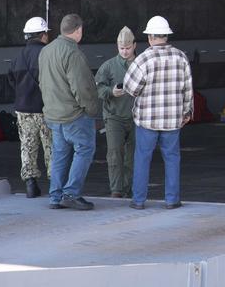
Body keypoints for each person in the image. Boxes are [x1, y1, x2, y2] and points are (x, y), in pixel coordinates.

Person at [123, 15, 193, 210]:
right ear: (166, 36)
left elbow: (131, 88)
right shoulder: (181, 57)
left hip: (147, 120)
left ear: (151, 37)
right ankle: (172, 200)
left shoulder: (144, 58)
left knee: (142, 159)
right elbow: (188, 89)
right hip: (173, 119)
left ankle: (138, 200)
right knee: (172, 158)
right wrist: (186, 113)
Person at [37, 13, 101, 211]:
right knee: (84, 149)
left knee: (60, 155)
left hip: (53, 115)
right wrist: (92, 110)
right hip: (74, 115)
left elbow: (42, 83)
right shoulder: (73, 54)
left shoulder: (45, 51)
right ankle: (71, 193)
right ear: (79, 30)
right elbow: (82, 88)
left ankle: (55, 197)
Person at [11, 16, 53, 198]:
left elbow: (11, 80)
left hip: (23, 109)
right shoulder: (47, 54)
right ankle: (56, 185)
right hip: (45, 109)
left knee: (27, 146)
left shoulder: (18, 56)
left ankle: (30, 184)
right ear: (42, 35)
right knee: (51, 146)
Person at [94, 27, 137, 198]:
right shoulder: (109, 66)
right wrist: (111, 91)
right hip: (114, 117)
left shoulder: (141, 64)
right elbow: (97, 88)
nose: (125, 52)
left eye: (127, 48)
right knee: (114, 154)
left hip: (136, 117)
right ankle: (116, 190)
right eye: (121, 48)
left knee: (131, 155)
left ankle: (129, 187)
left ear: (134, 45)